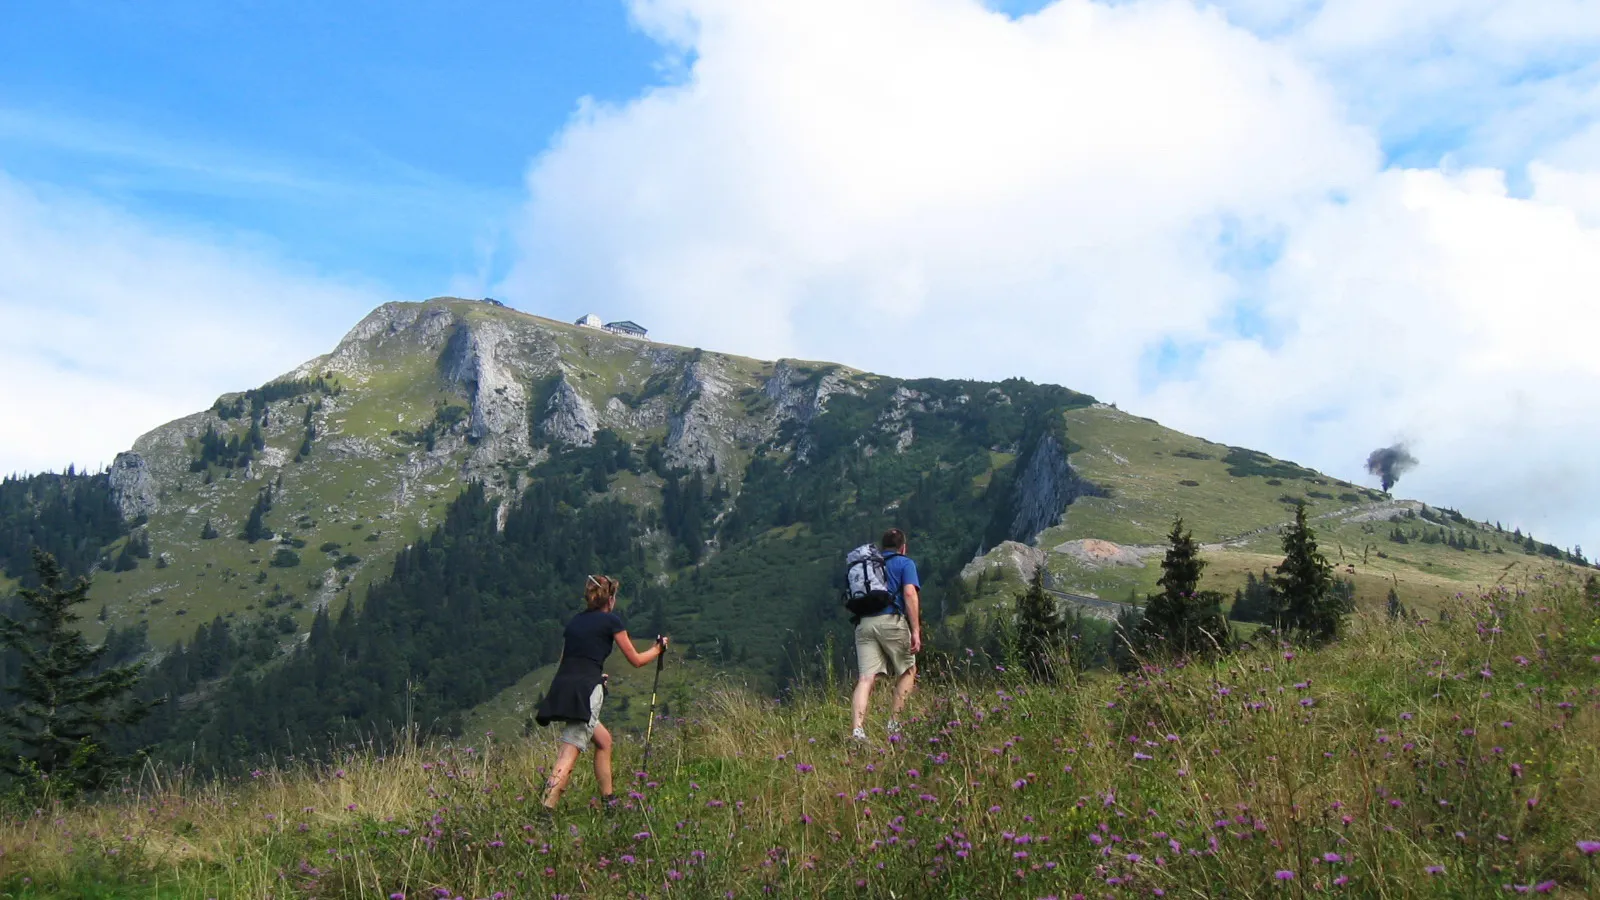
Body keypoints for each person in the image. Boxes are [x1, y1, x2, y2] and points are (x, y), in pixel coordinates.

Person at [534, 575, 667, 820]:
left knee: (604, 741)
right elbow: (636, 660)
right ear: (611, 598)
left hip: (565, 686)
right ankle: (545, 812)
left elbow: (567, 661)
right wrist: (657, 649)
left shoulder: (575, 622)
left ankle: (609, 802)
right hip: (586, 691)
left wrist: (596, 676)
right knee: (569, 752)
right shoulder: (611, 621)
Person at [851, 528, 920, 741]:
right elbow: (909, 593)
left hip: (864, 624)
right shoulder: (905, 563)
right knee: (908, 669)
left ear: (882, 547)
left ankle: (857, 730)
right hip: (891, 621)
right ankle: (894, 724)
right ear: (903, 547)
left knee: (865, 678)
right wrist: (916, 630)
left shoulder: (871, 565)